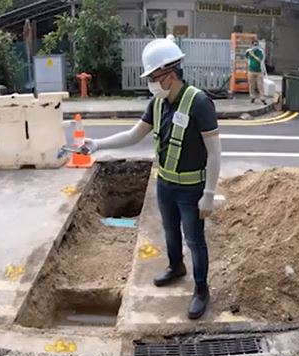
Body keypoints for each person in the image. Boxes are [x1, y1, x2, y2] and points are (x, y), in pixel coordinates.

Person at [82, 35, 221, 320]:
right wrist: (98, 144)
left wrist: (208, 194)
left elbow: (215, 153)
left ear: (168, 75)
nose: (150, 82)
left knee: (194, 239)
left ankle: (201, 289)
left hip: (192, 188)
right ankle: (175, 266)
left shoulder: (199, 102)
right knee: (170, 231)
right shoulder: (157, 104)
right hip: (165, 184)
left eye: (153, 76)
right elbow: (134, 135)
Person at [244, 36, 266, 104]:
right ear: (252, 45)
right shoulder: (248, 51)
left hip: (259, 71)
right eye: (254, 44)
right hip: (251, 70)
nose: (255, 46)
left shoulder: (260, 51)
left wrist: (253, 55)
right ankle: (252, 97)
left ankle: (262, 98)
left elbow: (259, 60)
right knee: (251, 85)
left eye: (256, 44)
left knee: (260, 85)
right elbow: (246, 58)